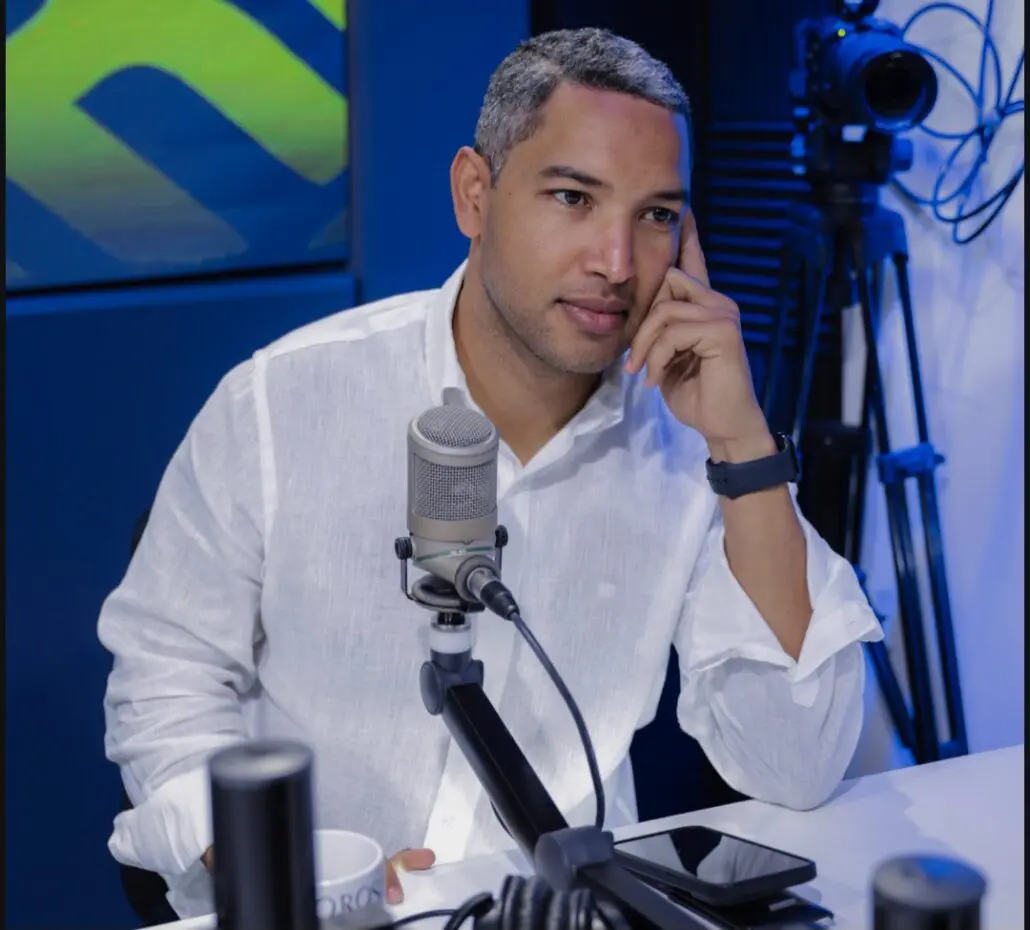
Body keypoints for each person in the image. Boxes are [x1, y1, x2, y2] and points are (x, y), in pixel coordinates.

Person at [99, 27, 883, 920]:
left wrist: (742, 445)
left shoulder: (690, 448)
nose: (616, 262)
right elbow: (164, 679)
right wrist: (274, 866)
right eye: (573, 197)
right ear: (475, 194)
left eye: (656, 215)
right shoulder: (280, 402)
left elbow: (795, 764)